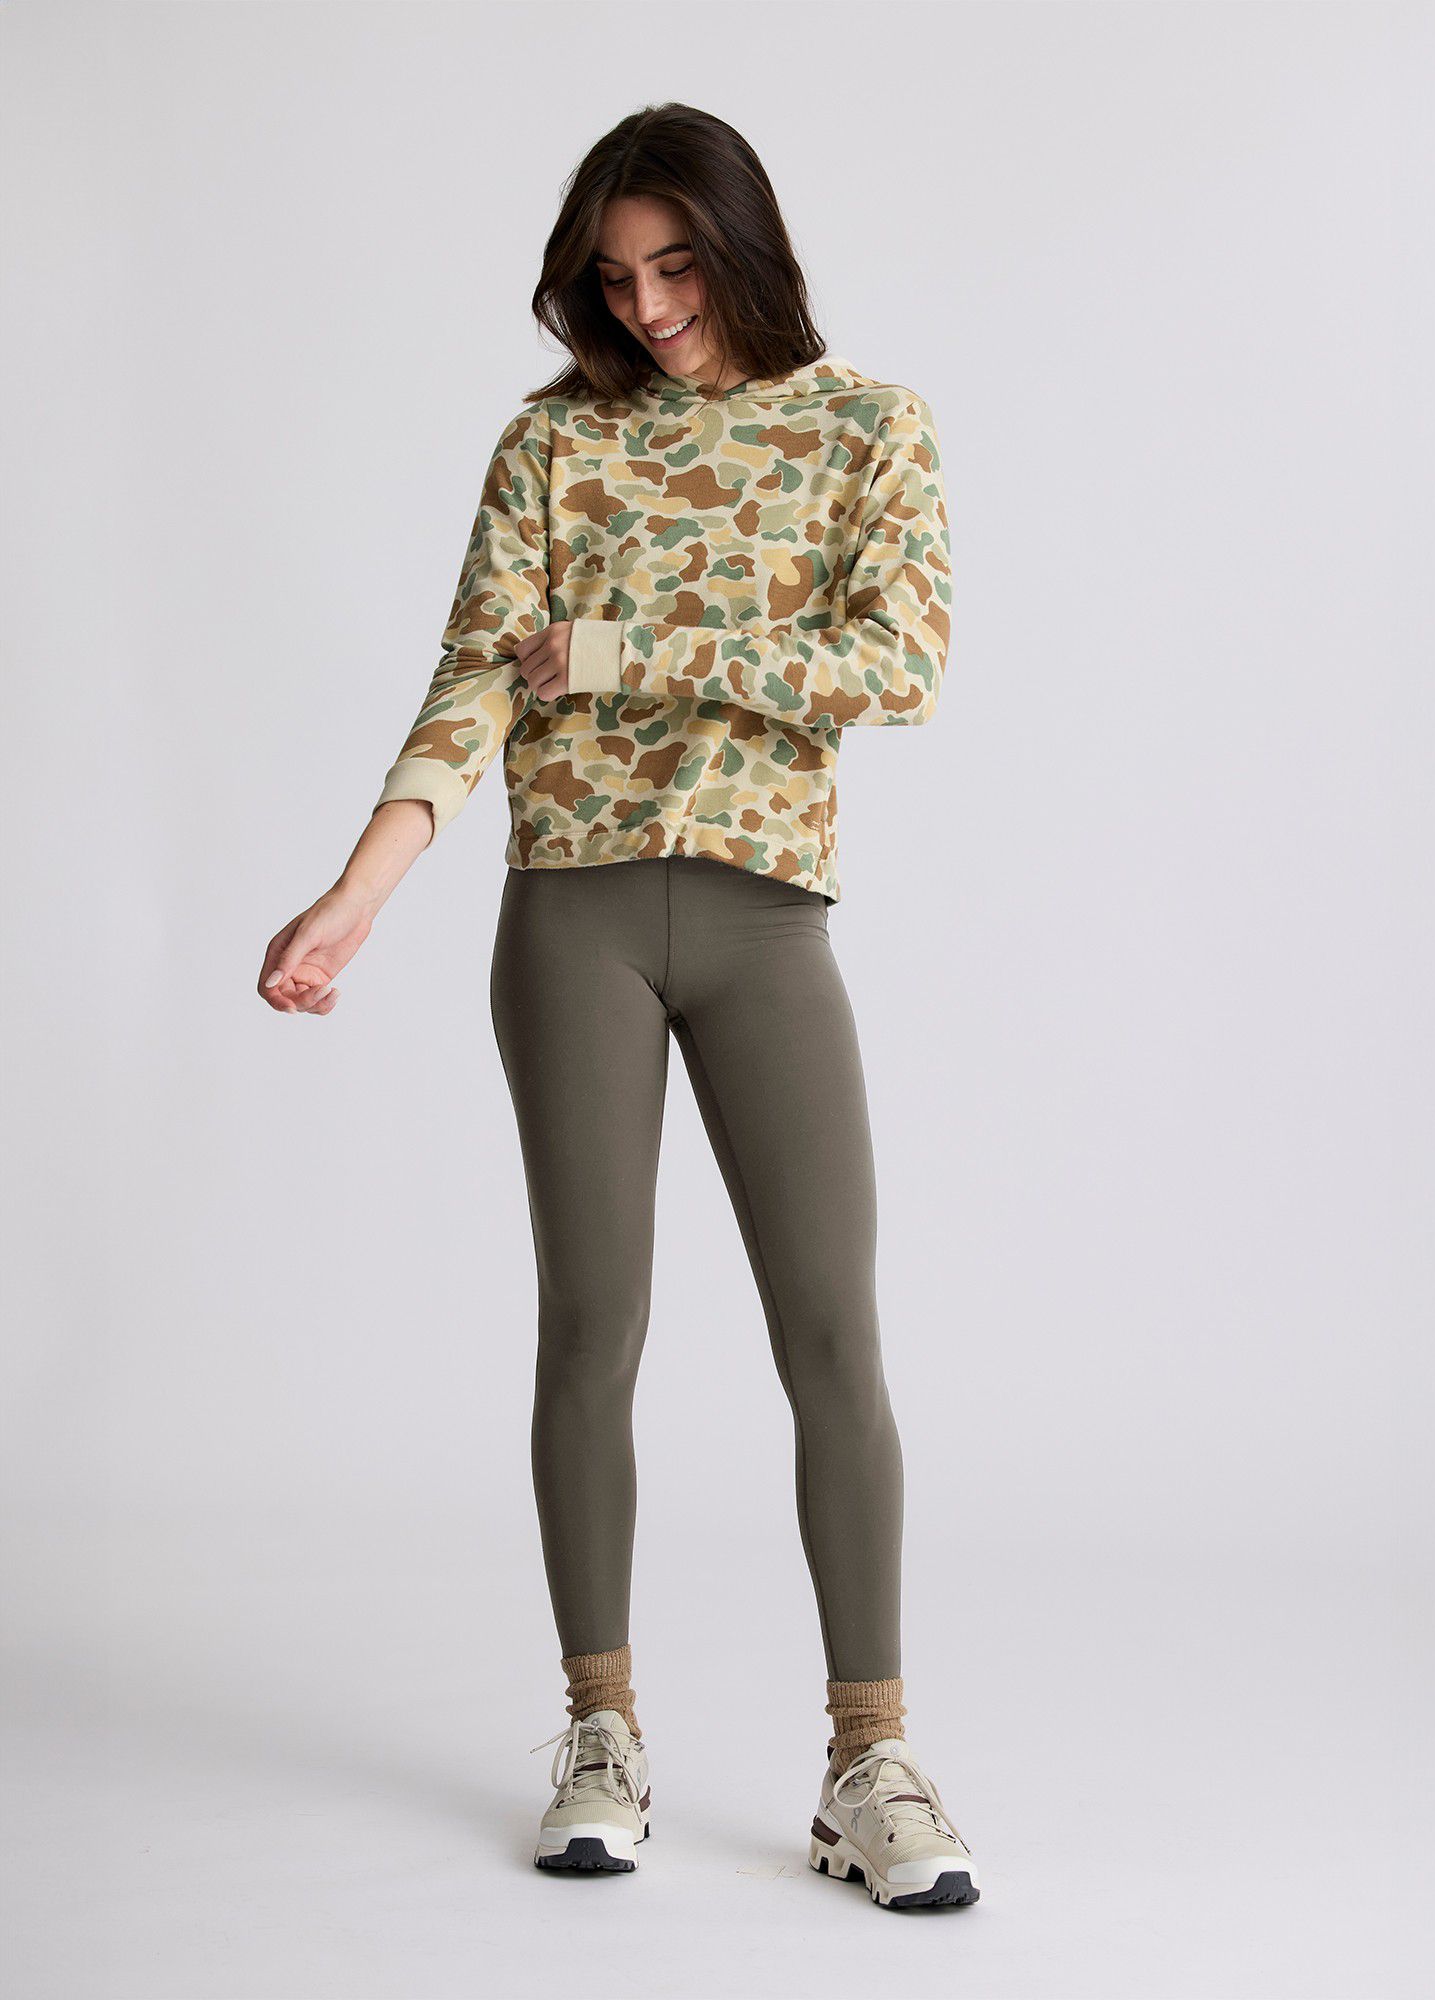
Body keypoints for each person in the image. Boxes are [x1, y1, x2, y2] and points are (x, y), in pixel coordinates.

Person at [258, 101, 978, 1912]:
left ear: (743, 248)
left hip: (764, 918)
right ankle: (599, 1729)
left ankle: (871, 1757)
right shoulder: (551, 444)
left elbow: (898, 666)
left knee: (833, 1334)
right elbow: (470, 683)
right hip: (570, 918)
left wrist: (628, 648)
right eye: (614, 276)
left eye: (675, 267)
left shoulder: (864, 427)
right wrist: (354, 896)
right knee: (591, 1329)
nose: (648, 307)